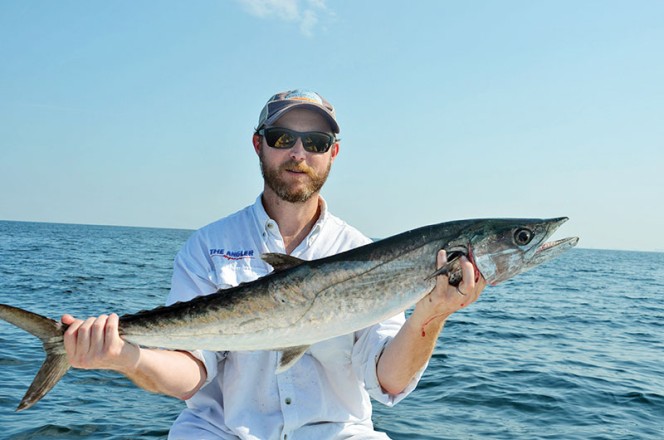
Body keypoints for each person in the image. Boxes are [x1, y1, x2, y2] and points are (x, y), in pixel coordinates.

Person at [61, 89, 486, 439]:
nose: (299, 153)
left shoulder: (366, 254)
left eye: (315, 143)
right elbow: (192, 373)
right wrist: (124, 355)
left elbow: (388, 380)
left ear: (333, 153)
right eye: (283, 138)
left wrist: (433, 313)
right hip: (220, 432)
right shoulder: (208, 247)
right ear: (258, 144)